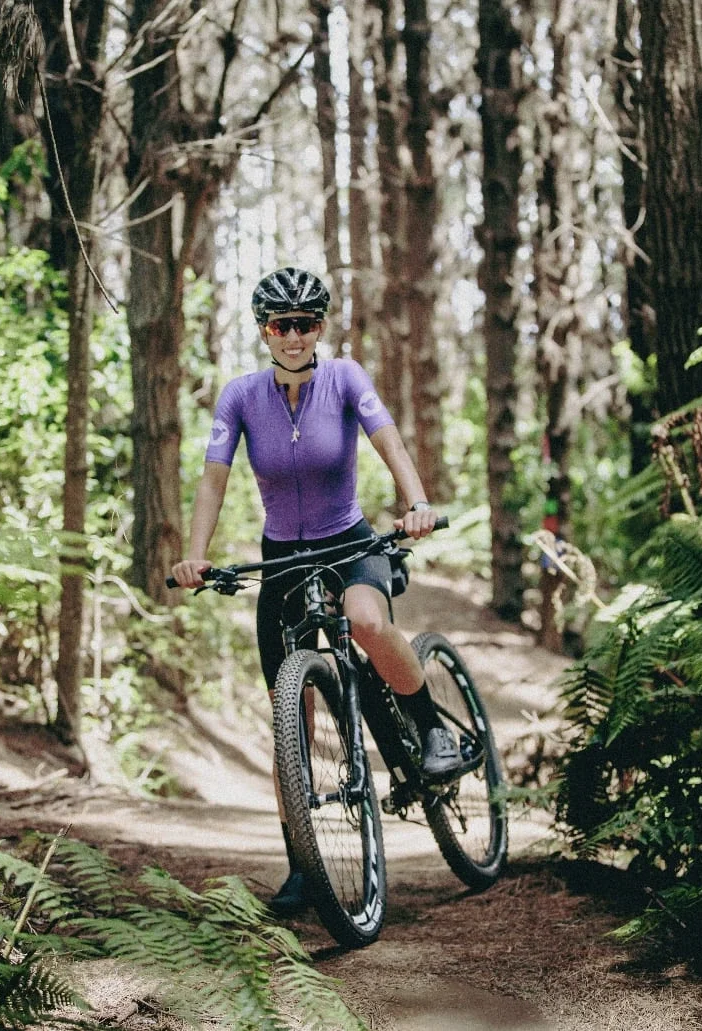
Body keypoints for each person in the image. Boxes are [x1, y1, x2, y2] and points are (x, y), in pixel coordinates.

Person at [170, 267, 459, 914]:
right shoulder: (240, 397)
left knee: (366, 619)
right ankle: (303, 862)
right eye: (281, 324)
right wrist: (196, 555)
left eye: (305, 323)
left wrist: (415, 502)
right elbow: (213, 481)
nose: (294, 336)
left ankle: (430, 729)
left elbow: (389, 441)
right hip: (283, 558)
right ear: (265, 331)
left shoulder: (346, 378)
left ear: (320, 327)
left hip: (348, 542)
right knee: (286, 711)